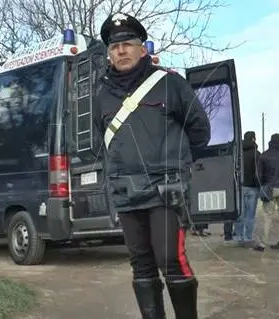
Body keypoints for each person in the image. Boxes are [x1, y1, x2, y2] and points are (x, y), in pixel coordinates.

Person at [94, 12, 211, 319]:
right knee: (141, 264)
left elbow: (201, 131)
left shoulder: (170, 83)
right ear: (108, 53)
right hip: (125, 191)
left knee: (170, 259)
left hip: (165, 190)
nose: (121, 50)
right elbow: (101, 140)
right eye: (114, 46)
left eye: (128, 43)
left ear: (142, 48)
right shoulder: (102, 93)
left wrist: (179, 166)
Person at [232, 131, 261, 246]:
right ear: (254, 139)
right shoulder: (257, 154)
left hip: (240, 187)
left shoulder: (237, 153)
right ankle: (248, 237)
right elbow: (259, 172)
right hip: (253, 188)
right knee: (250, 215)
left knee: (240, 214)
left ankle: (239, 236)